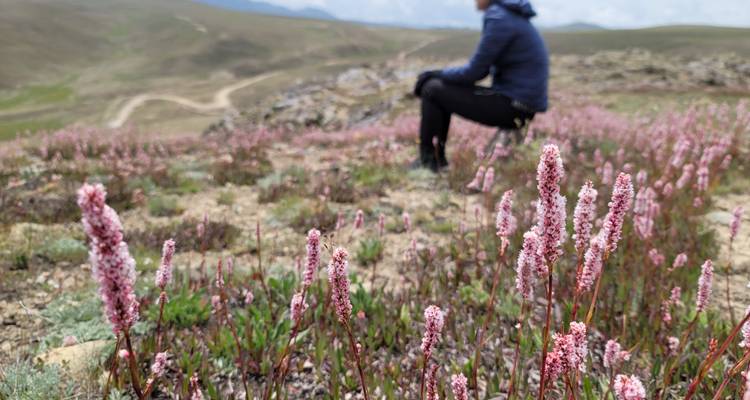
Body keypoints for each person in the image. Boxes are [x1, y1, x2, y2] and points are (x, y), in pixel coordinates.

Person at [412, 0, 549, 172]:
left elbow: (475, 72)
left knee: (432, 89)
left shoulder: (499, 17)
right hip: (522, 106)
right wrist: (439, 74)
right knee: (436, 86)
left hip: (514, 107)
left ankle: (429, 162)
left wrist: (434, 74)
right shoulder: (511, 16)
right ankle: (435, 159)